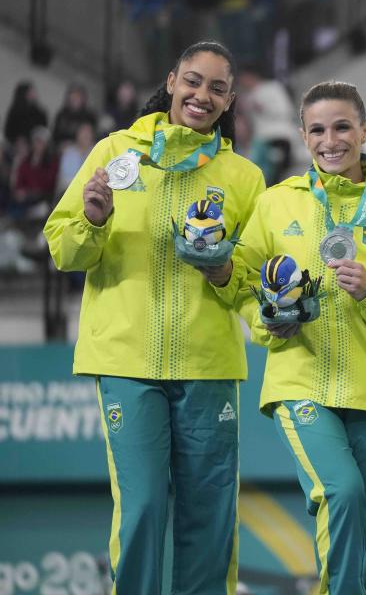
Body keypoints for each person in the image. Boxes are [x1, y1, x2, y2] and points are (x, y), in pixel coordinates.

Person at [43, 41, 265, 594]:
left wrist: (221, 272)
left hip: (209, 365)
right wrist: (93, 221)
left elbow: (254, 284)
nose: (202, 95)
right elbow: (64, 250)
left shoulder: (243, 178)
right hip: (127, 361)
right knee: (141, 508)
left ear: (230, 99)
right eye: (193, 81)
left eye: (217, 88)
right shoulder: (115, 153)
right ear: (171, 81)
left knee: (210, 518)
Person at [207, 81, 366, 592]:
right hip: (300, 379)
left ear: (365, 131)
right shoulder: (276, 204)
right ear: (302, 135)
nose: (330, 140)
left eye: (342, 127)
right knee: (341, 493)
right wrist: (267, 318)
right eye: (317, 129)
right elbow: (241, 286)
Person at [52, 83, 98, 150]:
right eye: (73, 96)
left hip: (82, 149)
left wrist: (75, 144)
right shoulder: (62, 114)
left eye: (78, 96)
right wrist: (61, 144)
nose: (75, 98)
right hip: (61, 149)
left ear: (83, 98)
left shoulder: (89, 116)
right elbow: (55, 136)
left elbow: (91, 137)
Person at [4, 81, 48, 146]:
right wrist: (16, 139)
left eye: (34, 92)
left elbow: (42, 132)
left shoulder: (40, 113)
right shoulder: (15, 110)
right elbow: (8, 131)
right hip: (14, 143)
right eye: (30, 92)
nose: (34, 95)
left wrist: (29, 141)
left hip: (32, 145)